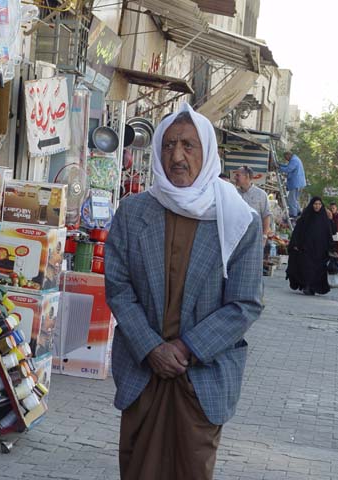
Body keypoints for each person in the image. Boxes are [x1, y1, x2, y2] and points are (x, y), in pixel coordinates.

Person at [105, 103, 263, 480]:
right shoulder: (133, 212)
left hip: (200, 377)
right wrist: (151, 347)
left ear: (207, 153)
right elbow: (118, 287)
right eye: (169, 145)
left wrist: (185, 348)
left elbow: (244, 304)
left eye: (189, 146)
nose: (177, 156)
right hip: (145, 374)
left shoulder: (240, 221)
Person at [286, 197, 334, 296]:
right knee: (306, 268)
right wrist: (295, 244)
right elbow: (297, 232)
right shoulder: (305, 217)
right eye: (315, 204)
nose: (317, 206)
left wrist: (330, 248)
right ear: (312, 205)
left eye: (319, 204)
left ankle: (313, 287)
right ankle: (307, 286)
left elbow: (329, 234)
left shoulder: (325, 219)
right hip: (306, 249)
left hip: (320, 251)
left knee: (317, 269)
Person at [234, 165, 272, 240]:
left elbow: (266, 216)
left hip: (254, 237)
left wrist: (264, 236)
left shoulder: (261, 194)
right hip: (237, 236)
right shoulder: (234, 193)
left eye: (237, 175)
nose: (235, 177)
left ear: (247, 176)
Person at [279, 151, 306, 218]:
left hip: (296, 183)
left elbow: (288, 169)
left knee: (291, 199)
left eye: (286, 157)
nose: (286, 159)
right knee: (295, 199)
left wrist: (279, 168)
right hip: (299, 183)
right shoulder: (295, 159)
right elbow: (288, 166)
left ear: (288, 155)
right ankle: (298, 212)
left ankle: (293, 214)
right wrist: (280, 165)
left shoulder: (294, 160)